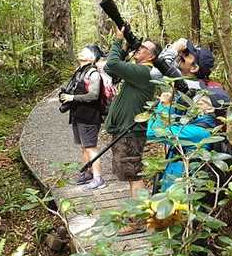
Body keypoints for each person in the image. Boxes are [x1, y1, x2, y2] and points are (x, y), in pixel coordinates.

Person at [146, 87, 231, 256]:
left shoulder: (199, 133)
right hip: (178, 201)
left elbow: (154, 131)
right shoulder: (198, 127)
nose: (195, 102)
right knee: (180, 253)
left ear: (211, 110)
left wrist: (164, 104)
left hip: (191, 204)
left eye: (202, 101)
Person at [103, 24, 159, 234]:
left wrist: (118, 41)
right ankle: (140, 217)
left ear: (151, 57)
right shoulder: (137, 71)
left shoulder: (144, 72)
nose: (139, 48)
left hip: (130, 133)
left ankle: (139, 221)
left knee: (135, 176)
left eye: (144, 48)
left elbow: (112, 62)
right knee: (131, 175)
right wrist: (126, 49)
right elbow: (110, 68)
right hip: (126, 132)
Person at [60, 47, 105, 189]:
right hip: (78, 115)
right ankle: (87, 173)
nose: (81, 52)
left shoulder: (93, 74)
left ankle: (98, 179)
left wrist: (72, 97)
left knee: (91, 147)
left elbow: (94, 95)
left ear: (92, 58)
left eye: (85, 51)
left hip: (90, 117)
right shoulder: (80, 71)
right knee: (84, 147)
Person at [155, 38, 219, 91]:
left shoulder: (191, 86)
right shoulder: (183, 78)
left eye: (186, 54)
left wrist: (174, 50)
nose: (181, 54)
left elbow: (156, 73)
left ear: (194, 68)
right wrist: (172, 47)